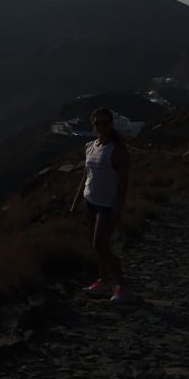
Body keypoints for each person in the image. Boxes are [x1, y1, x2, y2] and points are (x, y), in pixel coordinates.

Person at [70, 107, 129, 303]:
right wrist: (76, 200)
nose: (102, 127)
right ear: (93, 126)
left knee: (100, 245)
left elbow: (123, 182)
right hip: (90, 200)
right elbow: (85, 176)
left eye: (105, 123)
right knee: (97, 246)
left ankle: (122, 285)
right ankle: (103, 282)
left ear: (111, 124)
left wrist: (118, 209)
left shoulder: (117, 149)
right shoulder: (90, 146)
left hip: (107, 204)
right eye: (98, 123)